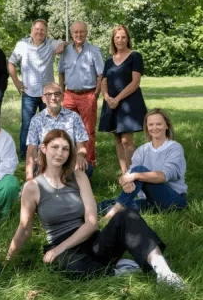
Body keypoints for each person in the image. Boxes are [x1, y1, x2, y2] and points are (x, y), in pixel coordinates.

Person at [6, 129, 185, 289]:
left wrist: (58, 249)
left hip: (91, 240)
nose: (60, 153)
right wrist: (8, 261)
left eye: (65, 149)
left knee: (128, 214)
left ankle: (164, 273)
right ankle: (120, 270)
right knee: (69, 268)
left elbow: (92, 223)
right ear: (44, 149)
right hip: (63, 247)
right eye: (55, 147)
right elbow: (24, 229)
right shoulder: (32, 187)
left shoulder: (79, 177)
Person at [99, 109, 187, 220]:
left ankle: (111, 214)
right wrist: (125, 182)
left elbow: (163, 176)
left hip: (172, 201)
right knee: (105, 205)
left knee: (140, 170)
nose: (154, 128)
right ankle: (90, 211)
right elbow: (128, 174)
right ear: (147, 128)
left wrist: (135, 176)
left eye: (159, 124)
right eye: (151, 124)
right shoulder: (142, 150)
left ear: (167, 126)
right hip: (148, 201)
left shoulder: (175, 148)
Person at [8, 19, 67, 159]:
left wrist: (63, 44)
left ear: (46, 32)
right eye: (37, 29)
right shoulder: (22, 45)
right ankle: (24, 155)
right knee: (27, 124)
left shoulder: (52, 44)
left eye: (42, 30)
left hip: (47, 95)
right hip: (29, 93)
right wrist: (17, 83)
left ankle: (46, 153)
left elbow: (68, 43)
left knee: (48, 123)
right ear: (31, 30)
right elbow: (11, 63)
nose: (39, 32)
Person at [98, 25, 147, 175]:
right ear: (113, 40)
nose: (120, 40)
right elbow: (103, 81)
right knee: (118, 140)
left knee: (127, 140)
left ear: (128, 39)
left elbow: (135, 83)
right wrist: (107, 97)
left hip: (129, 104)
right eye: (117, 37)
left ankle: (133, 175)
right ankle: (125, 173)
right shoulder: (108, 60)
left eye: (123, 37)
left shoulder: (135, 56)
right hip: (111, 103)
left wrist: (117, 99)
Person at [58, 21, 104, 168]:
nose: (79, 35)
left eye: (81, 32)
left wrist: (96, 93)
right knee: (66, 128)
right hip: (69, 95)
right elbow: (61, 73)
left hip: (88, 94)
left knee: (88, 130)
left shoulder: (94, 51)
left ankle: (88, 162)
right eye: (76, 32)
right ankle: (68, 160)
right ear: (72, 34)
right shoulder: (65, 51)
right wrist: (61, 92)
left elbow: (101, 75)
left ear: (86, 33)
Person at [25, 83, 91, 180]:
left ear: (62, 97)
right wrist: (29, 177)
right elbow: (31, 150)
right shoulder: (36, 120)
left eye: (57, 94)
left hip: (68, 162)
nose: (53, 98)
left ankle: (65, 180)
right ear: (43, 98)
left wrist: (80, 156)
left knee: (87, 169)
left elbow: (82, 148)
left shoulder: (74, 117)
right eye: (49, 94)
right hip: (44, 163)